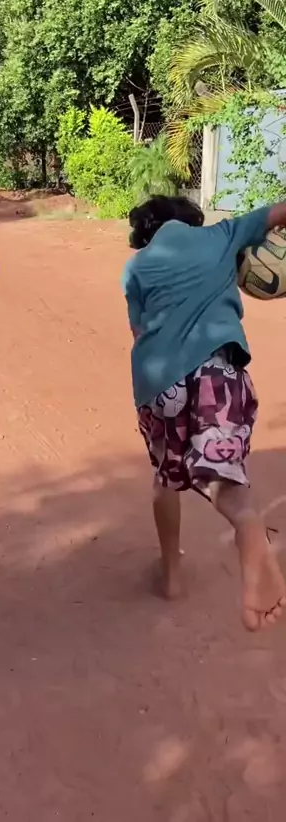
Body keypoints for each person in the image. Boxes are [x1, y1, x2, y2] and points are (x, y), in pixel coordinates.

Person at [122, 195, 286, 632]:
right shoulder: (222, 234)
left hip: (159, 385)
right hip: (218, 372)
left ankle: (172, 577)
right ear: (192, 221)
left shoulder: (135, 268)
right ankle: (247, 526)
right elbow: (279, 211)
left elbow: (138, 330)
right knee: (223, 476)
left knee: (166, 476)